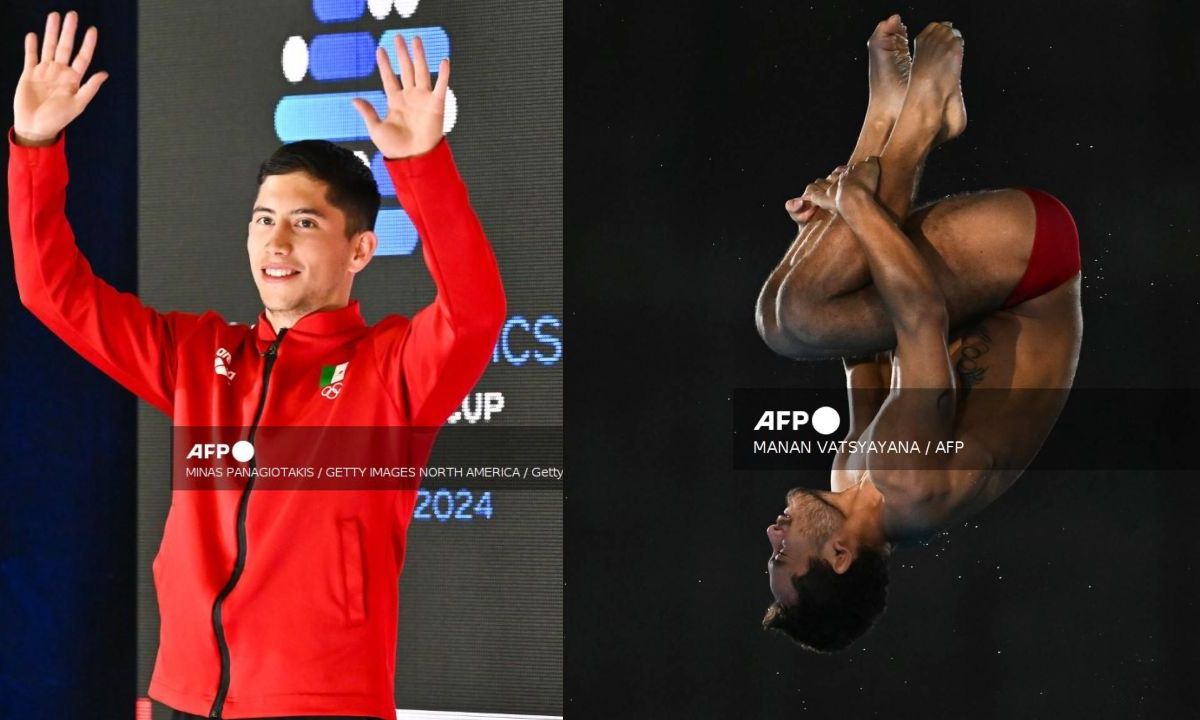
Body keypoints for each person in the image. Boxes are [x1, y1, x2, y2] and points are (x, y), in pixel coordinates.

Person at [9, 11, 505, 719]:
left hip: (319, 706)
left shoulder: (390, 368)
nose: (275, 242)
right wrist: (34, 143)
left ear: (360, 251)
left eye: (304, 222)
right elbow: (50, 291)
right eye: (262, 218)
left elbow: (477, 311)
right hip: (181, 698)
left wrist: (421, 164)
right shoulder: (198, 356)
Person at [756, 17, 1081, 652]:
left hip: (974, 299)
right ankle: (917, 119)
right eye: (780, 557)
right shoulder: (906, 480)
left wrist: (818, 243)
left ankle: (886, 122)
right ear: (841, 554)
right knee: (795, 319)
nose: (772, 534)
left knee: (789, 314)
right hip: (1031, 266)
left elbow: (868, 358)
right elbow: (921, 318)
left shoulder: (854, 483)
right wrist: (853, 212)